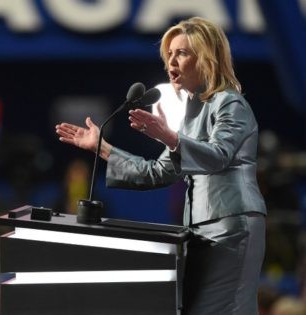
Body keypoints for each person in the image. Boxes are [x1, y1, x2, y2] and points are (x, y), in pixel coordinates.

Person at [55, 17, 267, 315]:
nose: (172, 61)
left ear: (206, 57)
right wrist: (101, 147)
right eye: (169, 54)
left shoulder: (230, 104)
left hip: (232, 226)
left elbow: (218, 155)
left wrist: (170, 136)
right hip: (201, 232)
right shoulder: (192, 114)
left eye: (182, 53)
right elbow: (156, 172)